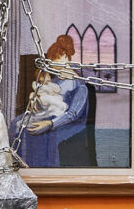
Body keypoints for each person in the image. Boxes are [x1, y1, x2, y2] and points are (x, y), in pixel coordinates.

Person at [15, 35, 95, 167]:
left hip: (67, 125)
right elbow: (43, 97)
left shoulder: (79, 85)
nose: (52, 63)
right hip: (48, 114)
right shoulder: (54, 81)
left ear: (65, 56)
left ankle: (40, 169)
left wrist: (50, 124)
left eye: (55, 58)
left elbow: (73, 114)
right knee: (17, 123)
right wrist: (35, 101)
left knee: (38, 134)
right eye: (51, 59)